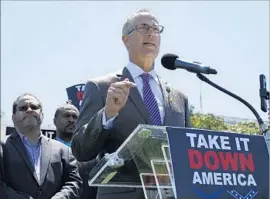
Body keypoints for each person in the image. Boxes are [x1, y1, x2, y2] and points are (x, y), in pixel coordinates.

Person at [71, 9, 190, 199]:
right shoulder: (101, 87)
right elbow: (80, 150)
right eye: (143, 27)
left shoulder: (179, 98)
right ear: (126, 40)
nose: (151, 33)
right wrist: (107, 114)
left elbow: (186, 154)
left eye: (156, 29)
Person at [2, 93, 82, 199]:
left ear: (42, 116)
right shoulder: (2, 146)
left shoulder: (63, 150)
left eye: (34, 107)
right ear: (14, 117)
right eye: (23, 108)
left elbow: (74, 182)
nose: (29, 110)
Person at [54, 101, 98, 199]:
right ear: (54, 121)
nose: (71, 120)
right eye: (66, 116)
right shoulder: (43, 150)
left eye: (75, 117)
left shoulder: (93, 154)